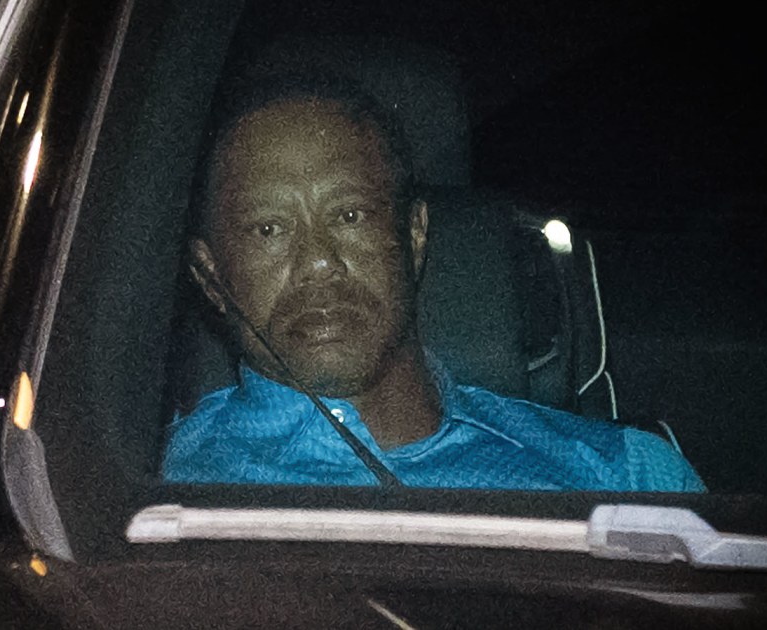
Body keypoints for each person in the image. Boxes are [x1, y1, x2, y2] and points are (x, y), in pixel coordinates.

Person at [162, 78, 705, 491]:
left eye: (350, 215)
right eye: (269, 229)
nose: (319, 262)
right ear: (211, 276)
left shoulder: (626, 478)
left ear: (414, 235)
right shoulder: (158, 485)